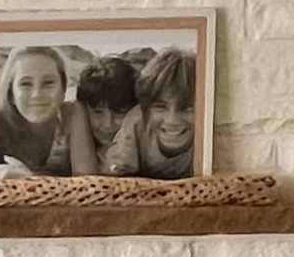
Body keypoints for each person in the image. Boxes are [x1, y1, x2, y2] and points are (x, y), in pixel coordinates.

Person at [0, 44, 73, 176]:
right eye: (25, 84)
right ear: (11, 93)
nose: (37, 94)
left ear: (63, 90)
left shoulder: (73, 121)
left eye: (48, 83)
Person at [68, 54, 146, 175]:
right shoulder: (70, 145)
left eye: (119, 113)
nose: (107, 124)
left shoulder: (147, 150)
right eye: (98, 112)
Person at [128, 47, 199, 179]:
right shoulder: (135, 124)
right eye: (160, 107)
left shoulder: (211, 141)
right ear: (146, 110)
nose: (172, 120)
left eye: (187, 108)